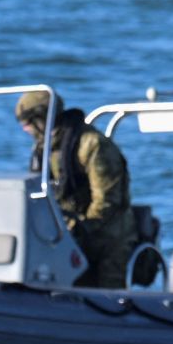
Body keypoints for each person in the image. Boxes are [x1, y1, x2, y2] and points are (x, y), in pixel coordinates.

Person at [15, 89, 139, 288]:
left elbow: (107, 199)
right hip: (68, 236)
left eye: (29, 122)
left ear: (43, 119)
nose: (25, 129)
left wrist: (80, 229)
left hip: (107, 237)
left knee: (108, 298)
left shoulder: (92, 145)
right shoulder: (43, 149)